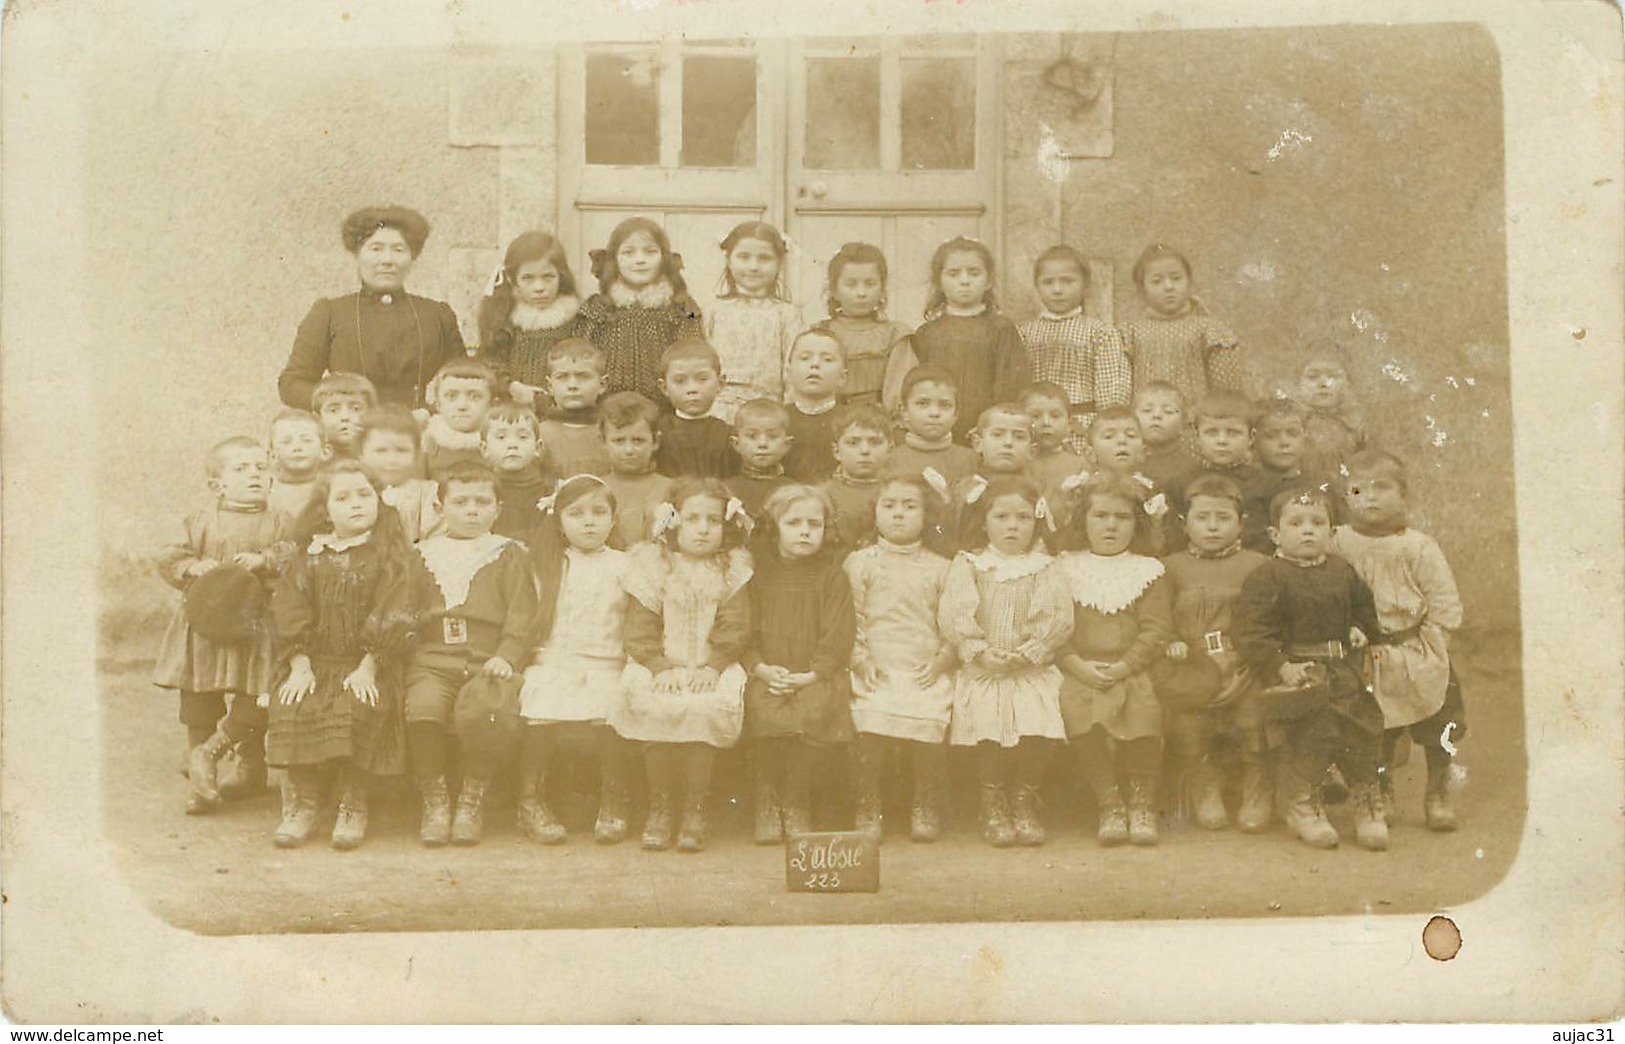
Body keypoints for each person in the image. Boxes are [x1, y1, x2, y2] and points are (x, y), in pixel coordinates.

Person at [266, 460, 417, 849]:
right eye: (343, 497)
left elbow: (394, 611)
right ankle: (304, 804)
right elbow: (289, 609)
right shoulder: (310, 556)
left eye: (365, 494)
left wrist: (369, 666)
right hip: (314, 661)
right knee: (294, 700)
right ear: (325, 508)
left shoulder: (390, 557)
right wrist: (299, 665)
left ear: (380, 502)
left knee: (356, 704)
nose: (356, 504)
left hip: (371, 662)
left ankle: (354, 802)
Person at [606, 478, 755, 853]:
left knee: (702, 711)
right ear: (673, 522)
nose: (704, 529)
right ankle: (661, 806)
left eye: (714, 521)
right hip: (659, 662)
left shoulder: (732, 569)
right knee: (654, 704)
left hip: (711, 665)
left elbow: (735, 625)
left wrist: (715, 664)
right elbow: (639, 627)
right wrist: (658, 665)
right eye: (693, 519)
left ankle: (695, 807)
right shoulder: (654, 565)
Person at [1236, 485, 1386, 851]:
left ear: (1332, 533)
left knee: (1362, 727)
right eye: (1296, 522)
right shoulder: (1268, 576)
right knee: (1313, 733)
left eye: (1317, 523)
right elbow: (1252, 632)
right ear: (1275, 533)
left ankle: (1367, 803)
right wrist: (1280, 665)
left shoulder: (1342, 570)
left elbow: (1364, 610)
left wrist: (1359, 629)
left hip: (1341, 668)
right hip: (1298, 673)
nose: (1307, 530)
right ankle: (1304, 805)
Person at [405, 461, 540, 847]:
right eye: (460, 501)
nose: (471, 510)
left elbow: (522, 612)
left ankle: (471, 800)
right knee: (424, 709)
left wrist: (508, 655)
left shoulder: (510, 553)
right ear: (440, 506)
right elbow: (405, 608)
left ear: (498, 508)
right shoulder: (420, 554)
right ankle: (435, 801)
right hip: (432, 658)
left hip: (487, 659)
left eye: (482, 502)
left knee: (487, 709)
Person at [152, 437, 290, 815]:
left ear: (272, 478)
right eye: (241, 469)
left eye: (260, 468)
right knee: (199, 696)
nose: (253, 475)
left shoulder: (281, 520)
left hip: (257, 625)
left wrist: (265, 559)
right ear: (217, 485)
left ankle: (247, 766)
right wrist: (192, 567)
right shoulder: (199, 520)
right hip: (205, 626)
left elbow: (297, 551)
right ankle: (202, 775)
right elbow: (168, 554)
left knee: (257, 696)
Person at [1332, 450, 1466, 832]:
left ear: (1403, 495)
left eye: (1383, 488)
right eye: (1360, 489)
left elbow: (1443, 602)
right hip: (1366, 651)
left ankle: (1437, 791)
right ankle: (1382, 787)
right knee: (1377, 727)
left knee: (1444, 721)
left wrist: (1436, 644)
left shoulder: (1418, 546)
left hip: (1418, 648)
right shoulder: (1338, 541)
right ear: (1346, 496)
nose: (1371, 498)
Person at [940, 476, 1072, 847]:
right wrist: (980, 651)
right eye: (1002, 517)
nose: (1012, 526)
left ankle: (1024, 799)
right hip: (984, 669)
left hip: (1030, 668)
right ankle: (992, 802)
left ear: (1037, 521)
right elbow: (955, 613)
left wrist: (1029, 653)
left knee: (1035, 721)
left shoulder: (1046, 566)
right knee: (990, 727)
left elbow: (1058, 618)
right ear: (984, 521)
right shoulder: (970, 563)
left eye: (1023, 518)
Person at [1055, 474, 1174, 847]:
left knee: (1144, 713)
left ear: (1136, 523)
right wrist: (1075, 665)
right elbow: (1053, 624)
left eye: (1122, 517)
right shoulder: (1064, 566)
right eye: (1100, 515)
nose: (1110, 525)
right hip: (1079, 668)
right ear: (1083, 521)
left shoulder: (1147, 571)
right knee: (1078, 714)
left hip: (1131, 668)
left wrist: (1125, 666)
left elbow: (1156, 630)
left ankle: (1140, 802)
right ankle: (1109, 802)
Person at [516, 475, 633, 844]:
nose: (588, 521)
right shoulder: (543, 563)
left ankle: (614, 798)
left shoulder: (626, 565)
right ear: (559, 521)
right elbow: (524, 618)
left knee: (612, 706)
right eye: (576, 513)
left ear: (613, 520)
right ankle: (530, 800)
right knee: (541, 703)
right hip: (555, 661)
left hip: (607, 662)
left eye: (599, 512)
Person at [1153, 475, 1272, 832]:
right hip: (1191, 664)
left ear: (1241, 524)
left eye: (1223, 518)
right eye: (1203, 518)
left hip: (1243, 661)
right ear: (1185, 523)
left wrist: (1249, 659)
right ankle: (1204, 785)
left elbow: (1267, 618)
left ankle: (1258, 787)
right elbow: (1160, 616)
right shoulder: (1170, 567)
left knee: (1254, 718)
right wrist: (1173, 641)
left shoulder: (1258, 564)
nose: (1213, 527)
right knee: (1189, 724)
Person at [845, 472, 956, 842]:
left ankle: (925, 799)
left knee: (930, 711)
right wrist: (861, 659)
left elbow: (952, 624)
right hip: (874, 664)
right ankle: (867, 801)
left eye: (910, 507)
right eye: (888, 506)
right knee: (869, 715)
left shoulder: (941, 567)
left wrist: (942, 661)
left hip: (924, 665)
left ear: (926, 515)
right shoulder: (860, 563)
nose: (898, 514)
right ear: (874, 512)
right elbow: (852, 619)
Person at [743, 486, 856, 842]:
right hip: (767, 672)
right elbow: (744, 630)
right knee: (760, 707)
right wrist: (760, 668)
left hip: (813, 673)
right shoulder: (756, 574)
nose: (805, 531)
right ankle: (767, 797)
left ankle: (795, 799)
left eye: (814, 524)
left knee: (816, 709)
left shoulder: (832, 575)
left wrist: (812, 674)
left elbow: (838, 633)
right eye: (794, 523)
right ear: (775, 527)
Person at [280, 205, 465, 411]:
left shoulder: (437, 315)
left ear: (412, 259)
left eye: (398, 250)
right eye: (376, 249)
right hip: (354, 433)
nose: (387, 260)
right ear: (357, 255)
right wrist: (339, 406)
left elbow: (464, 380)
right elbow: (293, 383)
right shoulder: (330, 313)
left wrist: (432, 412)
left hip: (419, 431)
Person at [900, 237, 1030, 442]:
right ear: (939, 282)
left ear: (988, 281)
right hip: (937, 433)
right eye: (954, 274)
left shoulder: (1001, 329)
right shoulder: (927, 333)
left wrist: (991, 427)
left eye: (974, 273)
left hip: (987, 436)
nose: (965, 280)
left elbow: (1010, 385)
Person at [578, 217, 703, 406]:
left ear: (664, 258)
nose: (640, 260)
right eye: (629, 252)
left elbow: (691, 356)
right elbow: (581, 356)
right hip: (606, 405)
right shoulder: (599, 307)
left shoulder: (680, 306)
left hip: (664, 406)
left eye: (650, 252)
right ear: (614, 259)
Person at [1018, 245, 1131, 448]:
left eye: (1067, 281)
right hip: (1035, 428)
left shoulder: (1100, 332)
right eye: (1048, 282)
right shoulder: (1023, 333)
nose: (1057, 290)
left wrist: (1103, 428)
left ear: (1085, 284)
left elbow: (1112, 390)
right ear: (1037, 286)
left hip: (1083, 427)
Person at [1119, 243, 1244, 411]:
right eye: (1157, 281)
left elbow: (1226, 394)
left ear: (1189, 281)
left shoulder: (1210, 332)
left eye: (1176, 278)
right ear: (1142, 289)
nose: (1169, 287)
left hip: (1197, 425)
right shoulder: (1129, 333)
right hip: (1146, 426)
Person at [475, 230, 585, 409]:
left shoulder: (576, 320)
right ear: (513, 280)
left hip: (561, 409)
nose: (539, 287)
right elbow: (489, 362)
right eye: (528, 278)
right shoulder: (504, 319)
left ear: (561, 276)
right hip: (511, 410)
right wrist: (511, 386)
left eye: (548, 277)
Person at [704, 221, 801, 422]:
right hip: (718, 411)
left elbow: (793, 371)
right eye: (744, 257)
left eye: (764, 258)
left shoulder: (786, 314)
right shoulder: (712, 310)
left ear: (779, 263)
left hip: (768, 413)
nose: (753, 266)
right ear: (729, 259)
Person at [811, 241, 913, 408]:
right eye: (851, 284)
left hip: (878, 424)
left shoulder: (895, 335)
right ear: (834, 290)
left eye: (870, 284)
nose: (861, 293)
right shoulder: (820, 333)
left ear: (882, 289)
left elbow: (899, 393)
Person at [949, 404, 1038, 550]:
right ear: (978, 443)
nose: (1008, 443)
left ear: (1032, 451)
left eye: (1019, 437)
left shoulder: (1035, 488)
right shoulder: (967, 488)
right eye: (997, 435)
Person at [653, 339, 738, 479]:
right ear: (664, 387)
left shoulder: (728, 436)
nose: (692, 389)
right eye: (680, 381)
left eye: (702, 379)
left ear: (720, 383)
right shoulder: (659, 434)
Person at [598, 391, 673, 548]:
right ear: (603, 441)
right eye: (618, 441)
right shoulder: (595, 489)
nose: (629, 450)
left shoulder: (671, 489)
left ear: (656, 441)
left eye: (638, 441)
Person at [357, 408, 441, 543]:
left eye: (402, 450)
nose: (392, 460)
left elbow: (436, 540)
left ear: (415, 455)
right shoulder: (355, 492)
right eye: (381, 450)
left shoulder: (427, 494)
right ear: (362, 455)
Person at [886, 365, 979, 487]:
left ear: (956, 414)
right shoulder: (891, 460)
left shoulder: (970, 460)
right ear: (904, 412)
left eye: (945, 405)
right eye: (923, 404)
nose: (934, 413)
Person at [1243, 398, 1313, 553]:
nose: (1284, 443)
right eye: (1271, 436)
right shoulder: (1251, 489)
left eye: (1292, 433)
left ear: (1305, 436)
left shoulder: (1318, 484)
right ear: (1254, 440)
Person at [818, 403, 893, 549]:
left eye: (874, 442)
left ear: (890, 449)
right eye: (853, 442)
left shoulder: (899, 492)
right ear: (836, 451)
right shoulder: (823, 496)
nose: (864, 450)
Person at [1290, 340, 1367, 481]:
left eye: (1333, 376)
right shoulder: (1291, 421)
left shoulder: (1355, 424)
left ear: (1348, 383)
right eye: (1313, 377)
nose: (1323, 383)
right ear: (1298, 384)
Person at [535, 339, 612, 477]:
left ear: (602, 384)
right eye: (562, 377)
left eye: (583, 377)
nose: (572, 385)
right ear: (550, 386)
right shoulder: (538, 434)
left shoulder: (613, 433)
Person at [781, 329, 848, 484]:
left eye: (827, 359)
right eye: (805, 358)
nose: (815, 364)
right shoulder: (775, 421)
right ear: (788, 373)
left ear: (842, 377)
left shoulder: (851, 423)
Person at [482, 403, 549, 542]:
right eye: (501, 437)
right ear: (484, 448)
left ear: (537, 447)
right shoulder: (481, 491)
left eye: (522, 437)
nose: (512, 444)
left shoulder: (548, 491)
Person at [421, 360, 499, 480]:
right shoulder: (428, 443)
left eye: (475, 397)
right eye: (451, 396)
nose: (462, 406)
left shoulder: (500, 444)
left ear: (492, 404)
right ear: (438, 404)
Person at [726, 397, 797, 525]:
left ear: (787, 444)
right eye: (752, 436)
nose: (762, 444)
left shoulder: (794, 491)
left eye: (773, 436)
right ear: (736, 444)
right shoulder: (727, 490)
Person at [266, 409, 328, 529]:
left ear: (324, 451)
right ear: (272, 455)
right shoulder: (267, 492)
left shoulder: (331, 488)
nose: (297, 447)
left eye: (306, 440)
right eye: (286, 442)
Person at [1020, 382, 1086, 491]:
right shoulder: (1017, 462)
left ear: (1069, 424)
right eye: (1035, 416)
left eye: (1055, 416)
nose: (1046, 422)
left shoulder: (1080, 466)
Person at [1133, 381, 1197, 492]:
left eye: (1168, 411)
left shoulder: (1190, 470)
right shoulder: (1125, 463)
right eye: (1147, 410)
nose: (1156, 415)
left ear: (1183, 424)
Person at [310, 373, 378, 460]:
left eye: (356, 409)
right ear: (317, 419)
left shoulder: (381, 461)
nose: (345, 417)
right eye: (333, 410)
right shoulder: (312, 462)